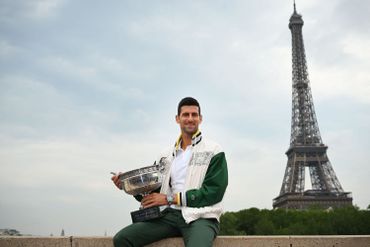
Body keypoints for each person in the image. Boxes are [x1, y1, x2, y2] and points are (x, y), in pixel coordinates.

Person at [111, 97, 228, 247]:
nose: (190, 119)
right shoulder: (164, 155)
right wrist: (129, 186)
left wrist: (170, 199)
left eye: (194, 115)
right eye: (186, 115)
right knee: (122, 239)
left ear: (200, 119)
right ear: (177, 119)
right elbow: (154, 193)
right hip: (168, 216)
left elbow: (214, 192)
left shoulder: (214, 150)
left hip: (201, 217)